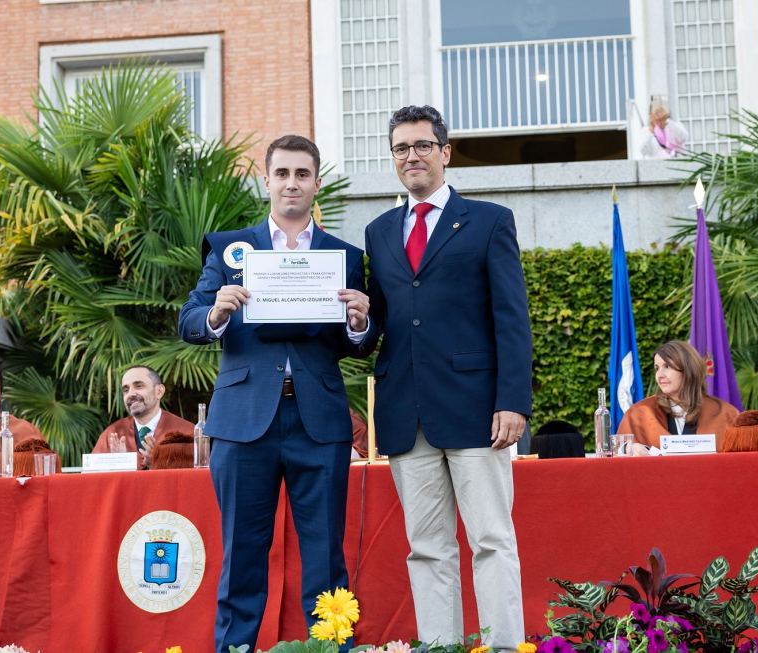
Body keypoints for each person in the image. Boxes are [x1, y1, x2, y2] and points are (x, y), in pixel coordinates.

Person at [178, 135, 377, 653]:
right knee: (242, 555)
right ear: (266, 181)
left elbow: (356, 341)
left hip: (320, 421)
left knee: (327, 559)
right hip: (245, 420)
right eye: (282, 173)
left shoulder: (345, 255)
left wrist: (360, 324)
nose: (292, 183)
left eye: (303, 174)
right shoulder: (229, 248)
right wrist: (216, 314)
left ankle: (330, 649)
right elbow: (189, 320)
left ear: (316, 183)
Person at [364, 105, 532, 650]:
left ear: (445, 151)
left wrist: (513, 401)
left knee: (491, 539)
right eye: (400, 148)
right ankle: (439, 646)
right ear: (393, 158)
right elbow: (385, 322)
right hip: (405, 414)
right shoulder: (379, 231)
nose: (411, 155)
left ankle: (505, 645)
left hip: (477, 411)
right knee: (427, 547)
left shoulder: (489, 220)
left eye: (421, 145)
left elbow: (511, 318)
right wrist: (360, 323)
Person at [617, 340, 739, 451]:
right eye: (657, 368)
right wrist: (629, 449)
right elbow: (617, 454)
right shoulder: (640, 413)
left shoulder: (725, 413)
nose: (659, 375)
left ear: (689, 370)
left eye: (667, 366)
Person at [90, 365, 195, 469]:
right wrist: (118, 466)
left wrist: (156, 464)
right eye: (126, 390)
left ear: (159, 391)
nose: (130, 394)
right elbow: (93, 480)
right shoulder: (113, 434)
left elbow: (197, 479)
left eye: (139, 386)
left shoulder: (186, 433)